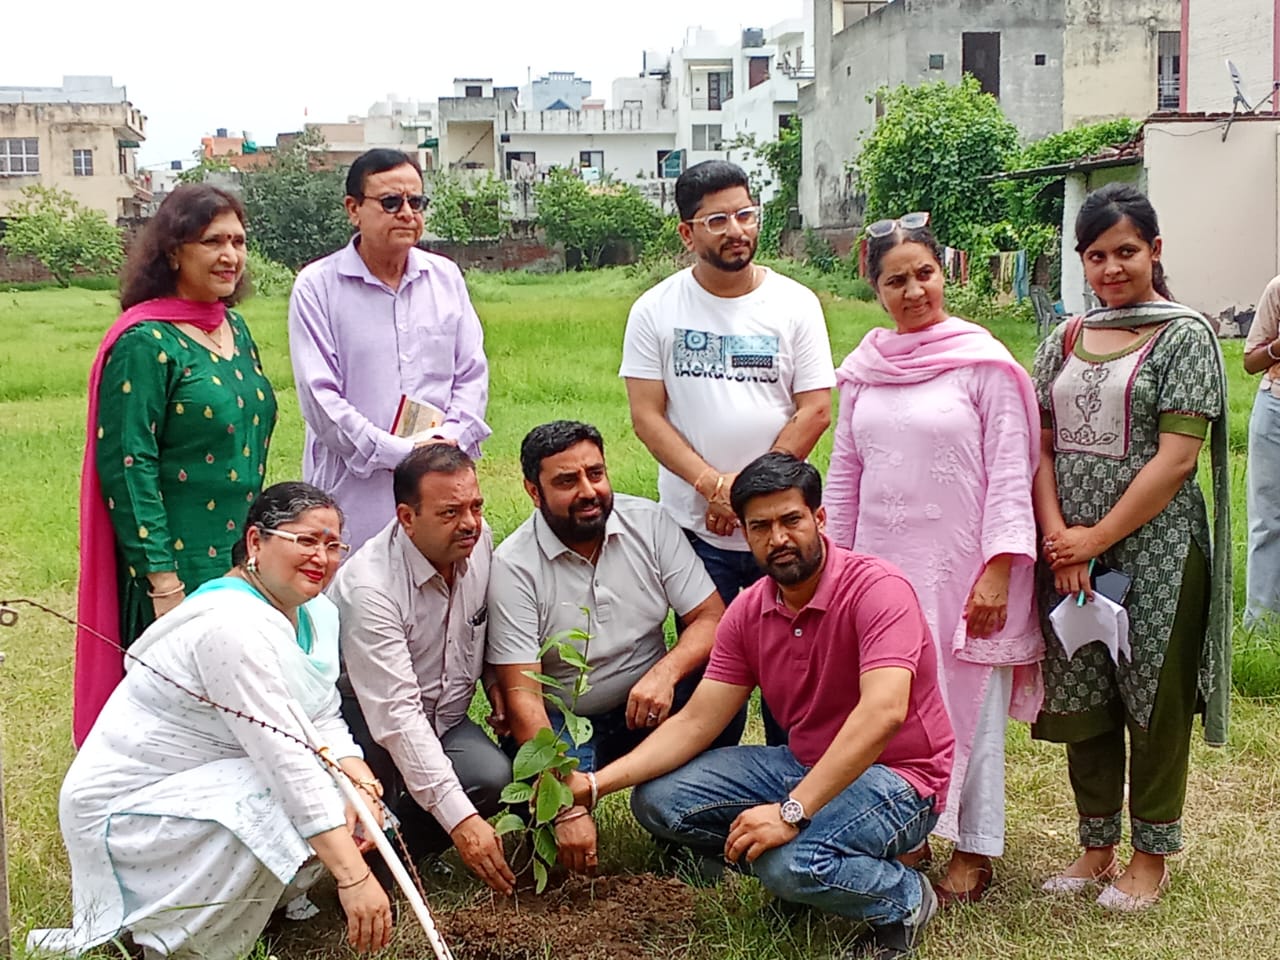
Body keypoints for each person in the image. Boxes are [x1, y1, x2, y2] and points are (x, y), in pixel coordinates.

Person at [567, 453, 954, 960]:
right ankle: (819, 863)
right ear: (744, 535)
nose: (778, 539)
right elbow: (698, 721)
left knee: (788, 864)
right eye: (761, 527)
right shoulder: (749, 610)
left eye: (791, 520)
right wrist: (595, 786)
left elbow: (883, 714)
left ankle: (903, 897)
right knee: (658, 800)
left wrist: (792, 812)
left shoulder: (878, 591)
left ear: (819, 518)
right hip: (803, 763)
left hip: (900, 778)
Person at [33, 483, 392, 959]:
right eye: (305, 541)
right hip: (131, 808)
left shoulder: (317, 613)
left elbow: (320, 712)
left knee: (341, 795)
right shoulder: (229, 628)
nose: (321, 558)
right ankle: (169, 941)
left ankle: (242, 909)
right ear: (256, 544)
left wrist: (356, 775)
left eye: (332, 545)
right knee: (285, 795)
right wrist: (354, 877)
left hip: (209, 782)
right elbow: (284, 760)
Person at [824, 211, 1043, 904]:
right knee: (895, 703)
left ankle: (976, 847)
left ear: (944, 272)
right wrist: (839, 567)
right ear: (876, 289)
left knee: (966, 702)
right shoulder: (862, 371)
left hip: (966, 570)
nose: (915, 290)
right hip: (883, 570)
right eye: (897, 280)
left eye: (925, 273)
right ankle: (910, 830)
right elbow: (845, 474)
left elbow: (1014, 470)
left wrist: (1000, 568)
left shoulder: (986, 363)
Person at [1033, 183, 1231, 910]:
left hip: (1158, 551)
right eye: (1096, 255)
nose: (1112, 268)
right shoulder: (1063, 337)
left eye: (1125, 251)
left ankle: (1151, 857)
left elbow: (1176, 459)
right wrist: (1060, 538)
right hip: (1069, 552)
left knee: (1154, 702)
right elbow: (1042, 446)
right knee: (1084, 694)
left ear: (1154, 249)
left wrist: (1095, 537)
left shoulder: (1184, 335)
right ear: (1081, 261)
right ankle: (1095, 848)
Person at [619, 160, 835, 744]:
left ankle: (796, 800)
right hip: (696, 531)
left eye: (745, 214)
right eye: (717, 219)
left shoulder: (795, 303)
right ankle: (702, 810)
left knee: (797, 672)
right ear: (688, 233)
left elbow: (814, 408)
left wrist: (743, 496)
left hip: (785, 527)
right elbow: (646, 416)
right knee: (708, 672)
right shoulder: (656, 309)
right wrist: (713, 487)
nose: (736, 229)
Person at [75, 184, 278, 747]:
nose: (230, 255)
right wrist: (162, 580)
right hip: (175, 562)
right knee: (177, 719)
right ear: (172, 252)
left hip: (241, 555)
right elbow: (128, 465)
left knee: (240, 707)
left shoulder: (233, 330)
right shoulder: (145, 341)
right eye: (212, 240)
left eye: (238, 241)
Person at [487, 420, 732, 875]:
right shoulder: (512, 566)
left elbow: (711, 617)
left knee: (719, 684)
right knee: (551, 857)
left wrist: (666, 672)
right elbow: (522, 696)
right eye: (566, 481)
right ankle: (549, 814)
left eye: (595, 474)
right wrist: (567, 808)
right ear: (532, 490)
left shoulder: (651, 524)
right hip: (563, 719)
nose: (588, 491)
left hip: (649, 701)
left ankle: (688, 824)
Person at [330, 444, 515, 895]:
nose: (470, 522)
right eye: (450, 512)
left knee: (490, 777)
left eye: (476, 506)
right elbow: (396, 717)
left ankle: (397, 856)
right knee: (374, 798)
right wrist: (463, 823)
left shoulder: (479, 541)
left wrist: (493, 680)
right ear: (406, 517)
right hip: (367, 724)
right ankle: (357, 861)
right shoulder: (369, 587)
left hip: (445, 718)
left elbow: (485, 623)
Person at [289, 147, 490, 552]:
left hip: (440, 485)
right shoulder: (318, 287)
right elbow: (320, 398)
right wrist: (397, 452)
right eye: (390, 202)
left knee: (446, 597)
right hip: (355, 491)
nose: (407, 213)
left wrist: (447, 441)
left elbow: (471, 374)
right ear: (353, 209)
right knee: (354, 602)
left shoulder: (445, 277)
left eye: (416, 202)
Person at [1242, 274, 1280, 626]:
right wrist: (1276, 348)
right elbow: (1250, 362)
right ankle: (1261, 623)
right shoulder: (1278, 288)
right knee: (1268, 519)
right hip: (1275, 410)